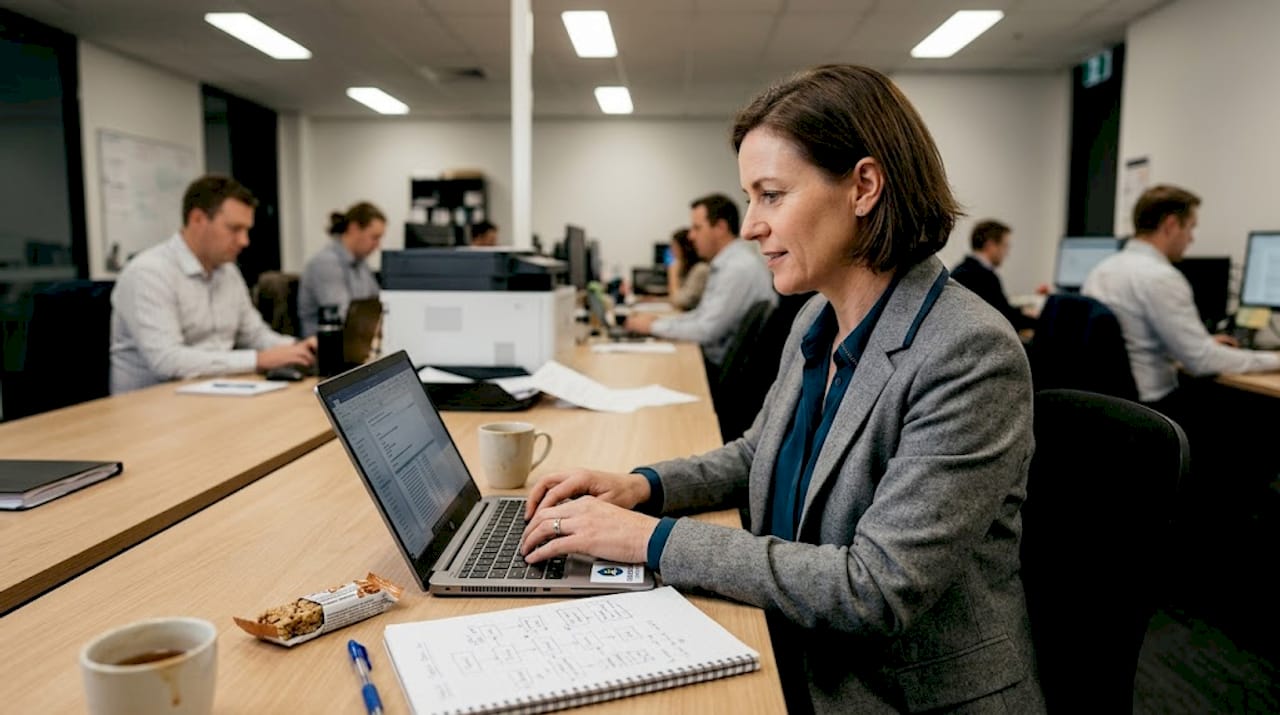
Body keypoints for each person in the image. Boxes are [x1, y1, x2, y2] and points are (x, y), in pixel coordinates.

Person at [520, 65, 1044, 713]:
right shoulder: (816, 317)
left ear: (864, 186)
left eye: (770, 194)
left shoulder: (967, 350)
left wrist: (648, 539)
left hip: (891, 691)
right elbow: (753, 453)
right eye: (749, 198)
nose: (748, 226)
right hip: (794, 644)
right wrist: (642, 485)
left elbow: (873, 587)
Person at [1083, 184, 1280, 415]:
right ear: (1171, 225)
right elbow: (1201, 361)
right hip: (1151, 409)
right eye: (1190, 228)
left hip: (1108, 403)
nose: (1191, 239)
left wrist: (1202, 343)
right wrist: (1274, 359)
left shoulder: (1102, 269)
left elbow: (1135, 338)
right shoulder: (1161, 277)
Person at [110, 175, 316, 394]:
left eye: (246, 230)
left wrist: (298, 347)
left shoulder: (228, 272)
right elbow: (167, 361)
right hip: (151, 406)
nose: (244, 241)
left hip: (216, 394)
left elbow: (255, 335)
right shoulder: (149, 272)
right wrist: (259, 360)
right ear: (198, 219)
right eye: (235, 229)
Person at [624, 193, 776, 368]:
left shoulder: (738, 268)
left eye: (697, 228)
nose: (691, 236)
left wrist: (652, 327)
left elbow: (706, 330)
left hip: (716, 370)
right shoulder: (728, 264)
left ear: (720, 227)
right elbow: (701, 316)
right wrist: (658, 322)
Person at [299, 201, 385, 337]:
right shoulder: (325, 263)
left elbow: (377, 304)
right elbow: (344, 317)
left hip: (356, 342)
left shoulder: (361, 263)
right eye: (374, 237)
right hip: (326, 347)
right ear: (354, 229)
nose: (377, 245)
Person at [950, 219, 1036, 330]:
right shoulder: (984, 277)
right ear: (990, 246)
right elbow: (1006, 318)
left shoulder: (961, 269)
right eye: (1005, 246)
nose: (1007, 253)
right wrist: (1038, 320)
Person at [666, 227, 710, 310]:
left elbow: (680, 302)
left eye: (675, 247)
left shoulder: (701, 269)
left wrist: (673, 275)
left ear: (684, 248)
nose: (672, 251)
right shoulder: (688, 269)